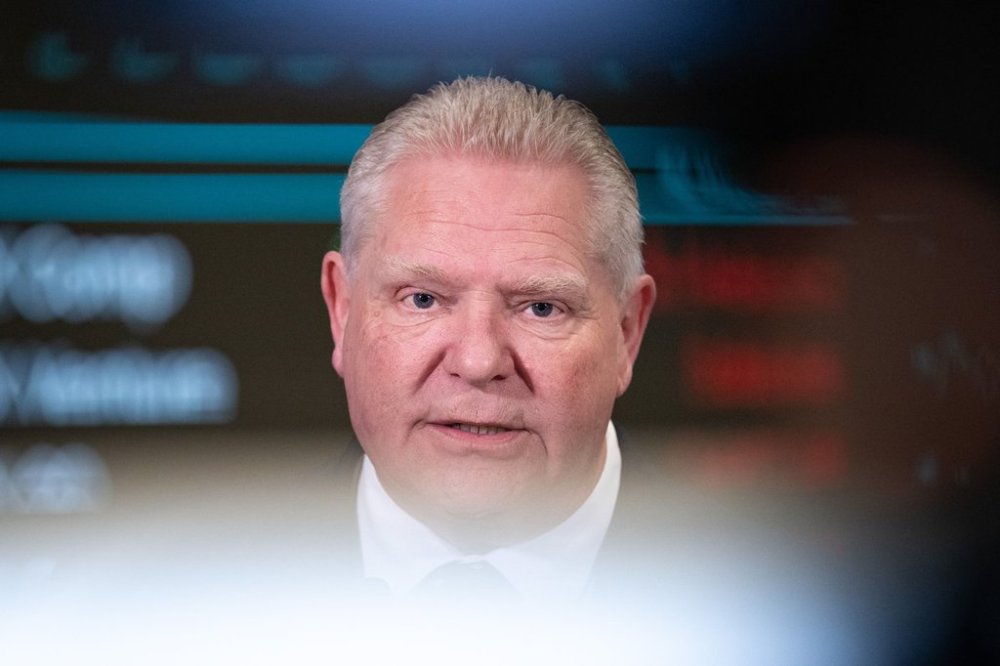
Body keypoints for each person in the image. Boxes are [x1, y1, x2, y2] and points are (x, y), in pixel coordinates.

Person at [320, 76, 656, 603]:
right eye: (423, 299)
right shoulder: (178, 588)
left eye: (541, 308)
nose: (478, 361)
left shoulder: (791, 587)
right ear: (342, 310)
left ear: (627, 332)